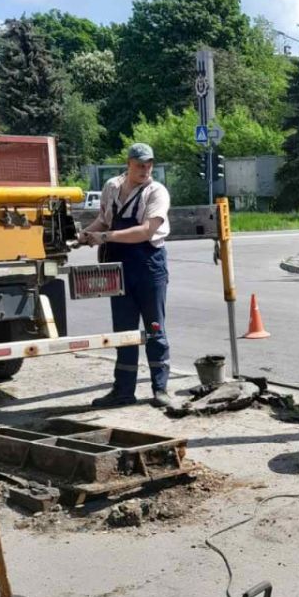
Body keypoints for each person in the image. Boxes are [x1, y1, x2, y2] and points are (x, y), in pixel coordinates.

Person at [80, 143, 174, 409]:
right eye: (140, 165)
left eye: (149, 165)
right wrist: (83, 236)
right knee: (123, 331)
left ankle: (161, 389)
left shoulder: (156, 192)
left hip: (148, 265)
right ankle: (123, 391)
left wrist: (104, 237)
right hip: (117, 267)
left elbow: (145, 231)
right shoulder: (111, 187)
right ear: (128, 163)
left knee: (155, 328)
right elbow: (103, 221)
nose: (145, 170)